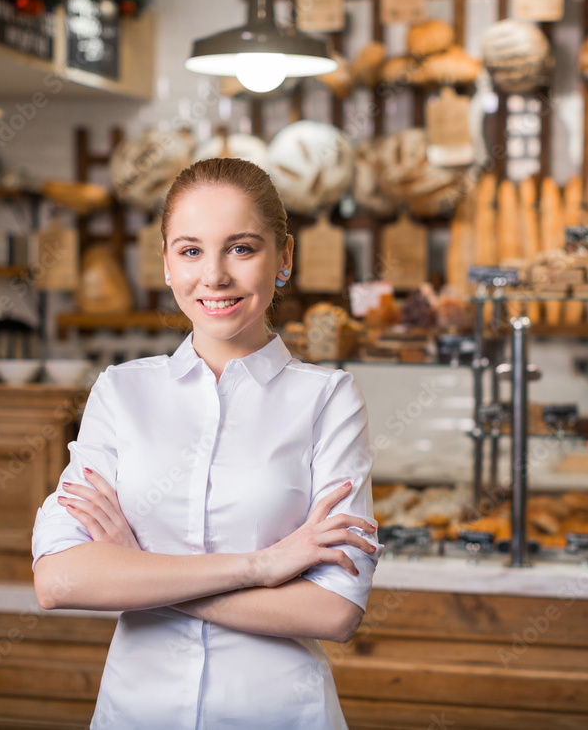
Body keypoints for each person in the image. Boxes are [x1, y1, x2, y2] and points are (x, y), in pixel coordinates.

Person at [32, 157, 382, 729]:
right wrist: (263, 566)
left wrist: (138, 571)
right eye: (191, 250)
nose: (214, 276)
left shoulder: (329, 400)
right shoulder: (120, 392)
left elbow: (334, 610)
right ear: (166, 263)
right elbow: (58, 580)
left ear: (284, 258)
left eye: (241, 248)